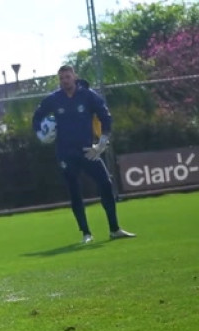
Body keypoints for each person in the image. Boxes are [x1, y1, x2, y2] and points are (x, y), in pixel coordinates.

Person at [32, 65, 135, 244]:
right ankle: (86, 233)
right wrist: (41, 134)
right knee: (74, 190)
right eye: (62, 78)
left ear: (74, 77)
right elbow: (37, 117)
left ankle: (114, 229)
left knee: (105, 183)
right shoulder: (53, 99)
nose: (65, 81)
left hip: (88, 151)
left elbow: (106, 117)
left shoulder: (88, 95)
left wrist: (101, 144)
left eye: (67, 77)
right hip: (65, 153)